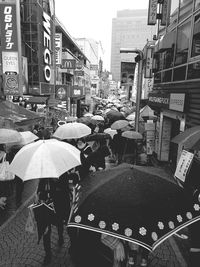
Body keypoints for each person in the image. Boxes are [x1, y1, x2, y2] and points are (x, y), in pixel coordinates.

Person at [36, 176, 70, 265]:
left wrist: (56, 184)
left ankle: (60, 236)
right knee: (46, 231)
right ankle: (48, 254)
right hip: (45, 208)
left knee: (59, 224)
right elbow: (39, 191)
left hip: (57, 207)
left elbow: (65, 192)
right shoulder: (42, 178)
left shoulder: (61, 176)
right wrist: (39, 195)